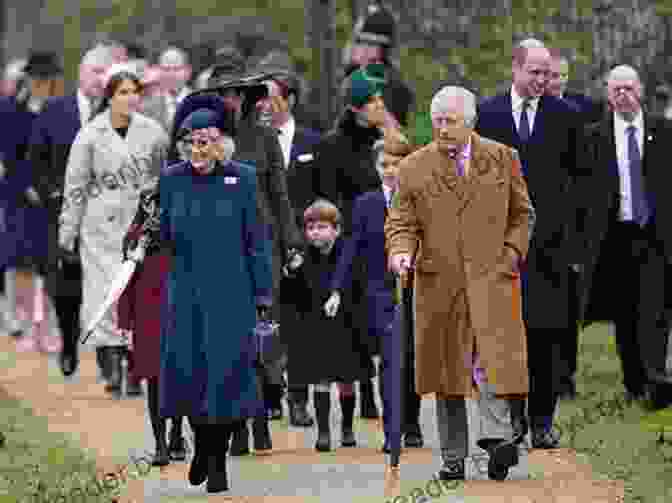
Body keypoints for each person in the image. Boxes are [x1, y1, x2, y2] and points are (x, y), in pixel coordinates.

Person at [386, 85, 535, 481]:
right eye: (438, 121)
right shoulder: (413, 168)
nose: (443, 129)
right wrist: (401, 252)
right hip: (440, 283)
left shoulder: (503, 159)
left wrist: (511, 254)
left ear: (470, 122)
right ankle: (453, 457)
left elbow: (523, 215)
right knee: (448, 372)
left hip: (492, 279)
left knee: (493, 363)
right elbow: (401, 222)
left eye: (451, 122)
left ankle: (498, 440)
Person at [158, 99, 273, 494]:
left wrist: (262, 293)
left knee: (224, 377)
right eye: (191, 142)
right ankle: (202, 448)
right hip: (186, 291)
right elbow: (164, 236)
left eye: (205, 142)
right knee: (190, 375)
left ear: (221, 143)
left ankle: (216, 458)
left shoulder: (241, 178)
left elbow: (256, 240)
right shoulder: (171, 179)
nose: (198, 150)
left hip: (231, 292)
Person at [475, 38, 579, 449]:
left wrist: (574, 243)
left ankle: (541, 420)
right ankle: (511, 420)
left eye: (546, 73)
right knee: (506, 335)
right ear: (515, 69)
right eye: (534, 72)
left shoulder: (565, 117)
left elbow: (581, 181)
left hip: (551, 248)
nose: (541, 80)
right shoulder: (487, 114)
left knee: (547, 335)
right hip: (501, 246)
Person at [197, 59, 301, 454]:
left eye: (236, 92)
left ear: (246, 96)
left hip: (263, 245)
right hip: (219, 249)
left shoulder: (264, 136)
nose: (230, 99)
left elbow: (280, 194)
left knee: (264, 333)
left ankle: (264, 413)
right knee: (228, 340)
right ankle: (237, 426)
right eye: (223, 92)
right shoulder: (202, 138)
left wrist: (292, 242)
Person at [57, 65, 169, 396]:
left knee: (137, 294)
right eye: (122, 92)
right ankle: (111, 366)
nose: (130, 98)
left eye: (134, 92)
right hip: (100, 227)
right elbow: (75, 185)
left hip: (141, 224)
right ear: (109, 97)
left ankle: (136, 368)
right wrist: (68, 232)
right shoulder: (89, 135)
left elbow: (167, 177)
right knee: (104, 295)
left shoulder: (154, 133)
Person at [576, 65, 672, 408]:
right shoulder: (594, 136)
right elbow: (585, 193)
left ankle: (656, 379)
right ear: (608, 94)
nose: (622, 95)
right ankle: (634, 382)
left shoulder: (664, 130)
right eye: (615, 89)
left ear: (640, 91)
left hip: (655, 236)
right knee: (625, 312)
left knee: (656, 308)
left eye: (628, 88)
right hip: (614, 236)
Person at [332, 127, 425, 452]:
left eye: (396, 164)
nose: (390, 171)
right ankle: (393, 430)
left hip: (417, 291)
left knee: (412, 361)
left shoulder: (420, 201)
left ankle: (412, 421)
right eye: (384, 164)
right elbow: (351, 248)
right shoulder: (365, 203)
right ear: (376, 167)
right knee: (390, 360)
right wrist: (337, 290)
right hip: (380, 295)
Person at [28, 44, 116, 377]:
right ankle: (68, 342)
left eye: (104, 73)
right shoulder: (55, 110)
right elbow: (36, 159)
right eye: (95, 71)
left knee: (105, 285)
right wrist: (51, 193)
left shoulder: (118, 115)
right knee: (67, 287)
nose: (99, 79)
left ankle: (109, 357)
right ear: (81, 73)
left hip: (105, 216)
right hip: (64, 213)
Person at [313, 63, 388, 419]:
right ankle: (362, 389)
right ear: (357, 106)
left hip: (381, 242)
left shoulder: (384, 140)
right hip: (347, 243)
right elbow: (329, 198)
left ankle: (376, 386)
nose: (380, 105)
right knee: (351, 322)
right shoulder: (333, 145)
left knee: (376, 323)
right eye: (373, 100)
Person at [256, 71, 321, 426]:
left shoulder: (312, 140)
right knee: (269, 321)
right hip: (267, 243)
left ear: (290, 99)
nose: (265, 104)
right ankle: (271, 394)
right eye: (260, 98)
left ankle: (299, 397)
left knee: (300, 326)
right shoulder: (253, 141)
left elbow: (324, 194)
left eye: (272, 97)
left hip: (305, 245)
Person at [281, 199, 372, 451]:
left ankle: (346, 427)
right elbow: (292, 296)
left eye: (322, 227)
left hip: (346, 326)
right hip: (316, 327)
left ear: (336, 229)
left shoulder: (348, 253)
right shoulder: (303, 256)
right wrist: (290, 273)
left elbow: (357, 287)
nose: (315, 233)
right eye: (310, 228)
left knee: (346, 380)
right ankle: (323, 432)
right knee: (320, 379)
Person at [117, 177, 186, 466]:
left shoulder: (183, 233)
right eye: (149, 203)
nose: (155, 209)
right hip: (148, 317)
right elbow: (125, 281)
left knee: (180, 376)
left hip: (180, 313)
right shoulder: (134, 237)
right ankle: (159, 442)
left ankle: (176, 434)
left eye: (160, 202)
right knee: (155, 381)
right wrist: (125, 322)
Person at [0, 51, 63, 348]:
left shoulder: (58, 111)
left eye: (45, 78)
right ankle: (15, 321)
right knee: (13, 258)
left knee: (48, 264)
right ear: (28, 79)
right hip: (17, 195)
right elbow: (9, 156)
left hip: (49, 197)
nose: (40, 83)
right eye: (36, 78)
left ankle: (45, 327)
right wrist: (25, 185)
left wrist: (47, 187)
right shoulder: (11, 110)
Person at [342, 1, 414, 128]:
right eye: (359, 43)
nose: (358, 49)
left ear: (381, 50)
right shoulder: (353, 80)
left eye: (366, 44)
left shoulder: (393, 89)